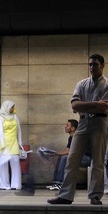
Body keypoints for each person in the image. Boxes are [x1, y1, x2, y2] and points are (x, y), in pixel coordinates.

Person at [48, 54, 108, 205]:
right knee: (72, 158)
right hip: (82, 123)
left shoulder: (107, 84)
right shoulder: (81, 84)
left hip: (99, 123)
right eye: (90, 65)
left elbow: (105, 106)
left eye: (95, 64)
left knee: (98, 162)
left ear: (102, 65)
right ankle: (66, 196)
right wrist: (96, 104)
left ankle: (95, 196)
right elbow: (74, 105)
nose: (92, 67)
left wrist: (84, 105)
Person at [46, 119, 91, 191]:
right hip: (78, 157)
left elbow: (71, 151)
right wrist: (53, 153)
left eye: (67, 125)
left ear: (73, 128)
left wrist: (55, 153)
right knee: (61, 157)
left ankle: (61, 184)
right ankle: (56, 183)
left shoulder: (79, 137)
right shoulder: (71, 138)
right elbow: (66, 150)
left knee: (65, 158)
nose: (65, 127)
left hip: (87, 159)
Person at [0, 100, 22, 190]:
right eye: (12, 107)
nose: (13, 108)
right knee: (3, 166)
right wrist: (3, 145)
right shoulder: (0, 119)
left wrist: (20, 143)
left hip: (13, 143)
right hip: (2, 145)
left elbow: (19, 131)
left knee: (16, 163)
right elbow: (0, 132)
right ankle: (4, 185)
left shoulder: (15, 117)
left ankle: (16, 184)